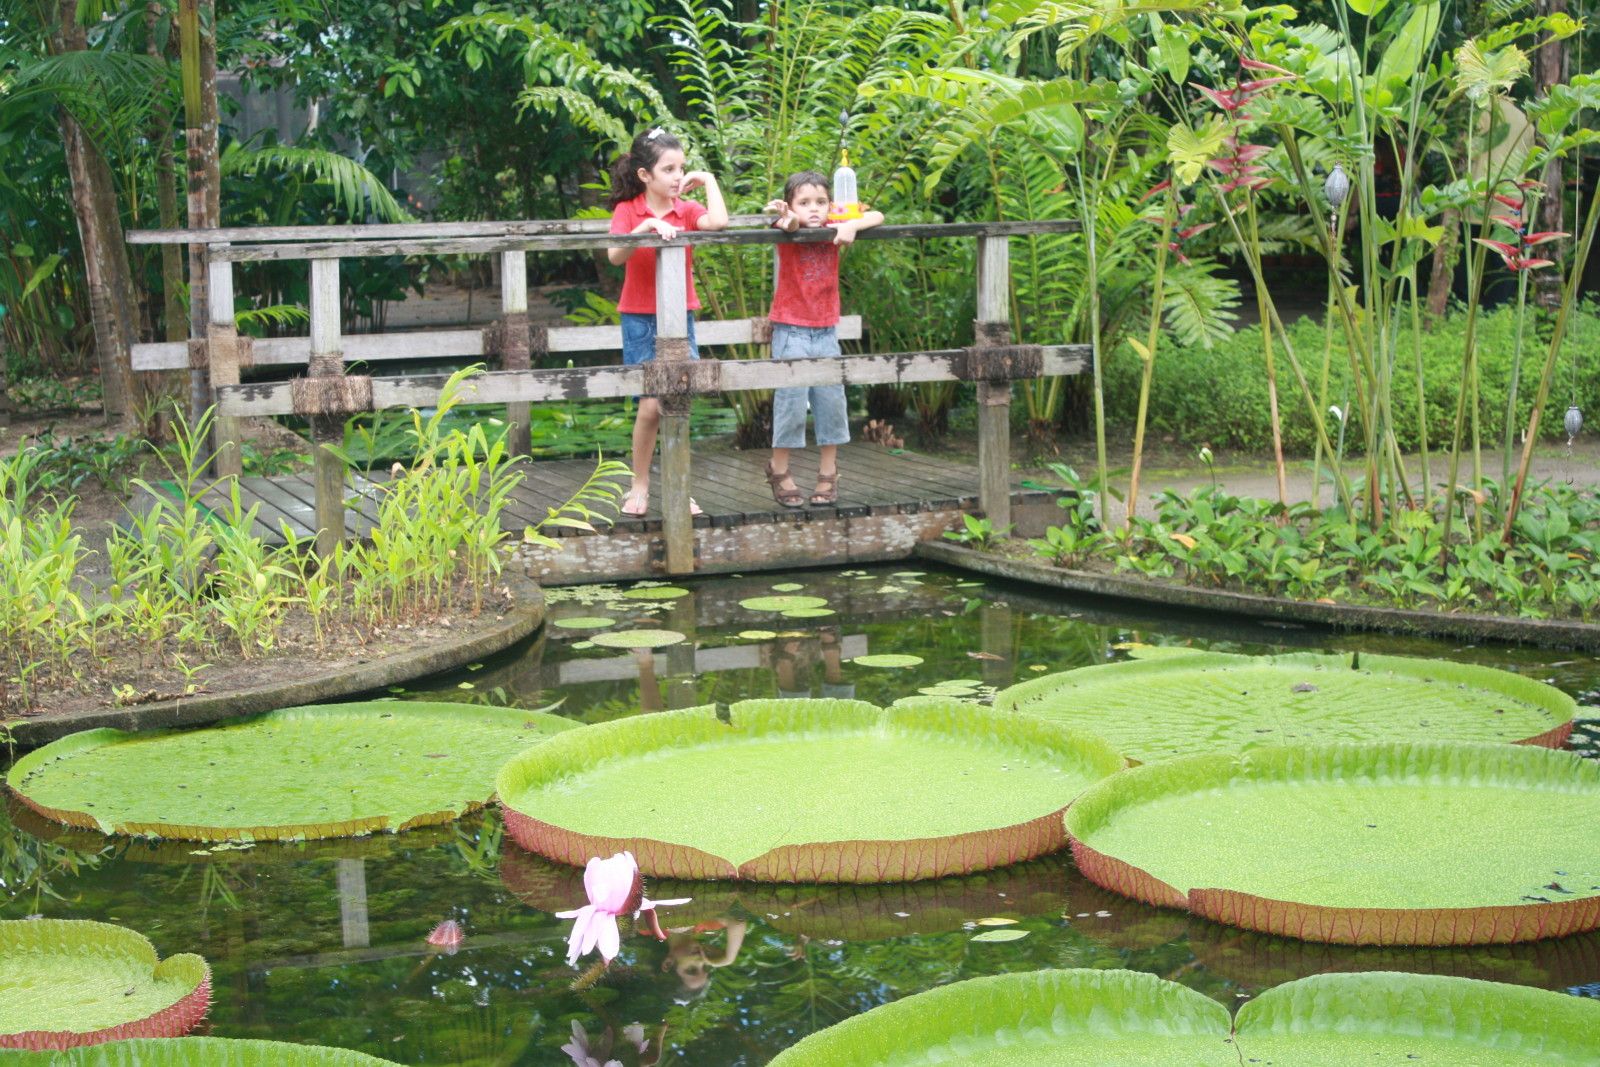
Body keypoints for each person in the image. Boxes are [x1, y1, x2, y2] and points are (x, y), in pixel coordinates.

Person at [607, 128, 729, 517]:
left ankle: (679, 485)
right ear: (645, 174)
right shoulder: (629, 210)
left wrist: (707, 180)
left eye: (682, 168)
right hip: (639, 317)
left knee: (676, 401)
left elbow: (719, 223)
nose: (678, 176)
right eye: (669, 169)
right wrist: (644, 229)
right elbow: (614, 255)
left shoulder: (687, 209)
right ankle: (639, 484)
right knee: (648, 405)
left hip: (681, 318)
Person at [763, 171, 884, 507]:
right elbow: (787, 226)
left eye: (820, 202)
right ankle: (779, 468)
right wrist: (788, 217)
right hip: (790, 328)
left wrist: (850, 225)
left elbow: (878, 214)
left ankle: (828, 472)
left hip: (826, 327)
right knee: (791, 401)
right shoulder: (786, 224)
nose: (813, 209)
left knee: (831, 400)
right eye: (804, 203)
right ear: (789, 205)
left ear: (830, 204)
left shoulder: (835, 221)